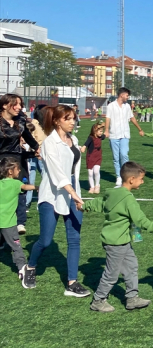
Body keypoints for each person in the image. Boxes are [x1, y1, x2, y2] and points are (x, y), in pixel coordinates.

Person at [83, 162, 153, 312]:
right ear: (132, 179)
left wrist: (85, 206)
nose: (143, 181)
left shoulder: (114, 193)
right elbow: (140, 220)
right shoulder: (128, 199)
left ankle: (132, 298)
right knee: (111, 274)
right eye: (141, 179)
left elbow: (100, 203)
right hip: (116, 243)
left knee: (131, 266)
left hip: (123, 241)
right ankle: (98, 300)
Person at [25, 105, 89, 296]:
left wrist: (76, 194)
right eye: (68, 119)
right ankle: (30, 266)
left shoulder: (74, 139)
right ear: (56, 121)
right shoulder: (49, 144)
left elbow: (72, 171)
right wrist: (76, 195)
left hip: (72, 192)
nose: (72, 122)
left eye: (73, 118)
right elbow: (58, 176)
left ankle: (72, 283)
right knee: (45, 241)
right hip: (52, 195)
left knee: (74, 239)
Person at [0, 94, 39, 234]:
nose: (19, 107)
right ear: (5, 106)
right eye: (15, 104)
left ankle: (20, 222)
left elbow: (28, 137)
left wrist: (37, 148)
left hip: (18, 160)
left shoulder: (21, 120)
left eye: (20, 104)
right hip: (2, 161)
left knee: (21, 190)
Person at [0, 157, 35, 287]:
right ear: (10, 171)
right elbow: (26, 186)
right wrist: (37, 187)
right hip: (8, 223)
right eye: (17, 169)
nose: (19, 171)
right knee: (16, 247)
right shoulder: (15, 184)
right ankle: (22, 268)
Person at [104, 88, 145, 187]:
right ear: (121, 95)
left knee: (124, 154)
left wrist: (139, 129)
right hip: (114, 135)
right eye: (127, 95)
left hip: (125, 135)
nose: (128, 97)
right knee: (116, 157)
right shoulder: (111, 106)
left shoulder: (127, 107)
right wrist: (106, 130)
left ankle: (126, 176)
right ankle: (118, 176)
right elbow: (107, 118)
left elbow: (132, 118)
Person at [81, 122, 105, 194]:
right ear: (95, 131)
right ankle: (92, 187)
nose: (101, 133)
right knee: (90, 173)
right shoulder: (91, 138)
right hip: (90, 157)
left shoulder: (101, 137)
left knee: (96, 171)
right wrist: (84, 147)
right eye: (100, 131)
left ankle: (97, 186)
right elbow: (86, 143)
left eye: (101, 131)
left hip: (98, 157)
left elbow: (105, 135)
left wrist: (103, 126)